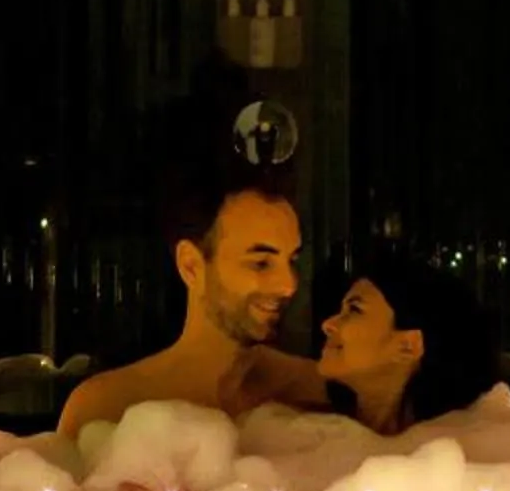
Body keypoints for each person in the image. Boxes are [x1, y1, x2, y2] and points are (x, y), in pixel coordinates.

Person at [54, 173, 327, 439]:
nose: (288, 285)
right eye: (261, 263)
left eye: (292, 260)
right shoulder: (107, 410)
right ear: (191, 266)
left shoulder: (309, 391)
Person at [316, 261, 498, 435]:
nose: (328, 324)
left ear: (408, 346)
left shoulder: (440, 459)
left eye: (354, 309)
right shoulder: (318, 434)